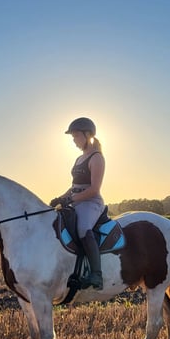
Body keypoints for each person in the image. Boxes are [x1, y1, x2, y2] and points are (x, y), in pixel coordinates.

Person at [49, 117, 106, 290]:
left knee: (83, 229)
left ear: (87, 135)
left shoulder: (97, 158)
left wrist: (70, 200)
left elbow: (94, 189)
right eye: (72, 137)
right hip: (77, 201)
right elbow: (74, 187)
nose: (73, 141)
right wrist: (61, 198)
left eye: (75, 137)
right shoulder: (79, 159)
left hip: (91, 202)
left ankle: (96, 274)